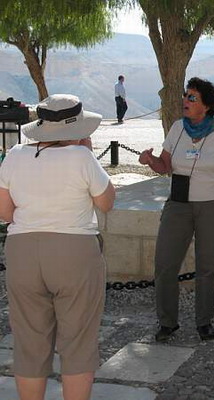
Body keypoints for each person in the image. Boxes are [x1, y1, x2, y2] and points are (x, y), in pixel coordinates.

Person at [0, 94, 115, 400]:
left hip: (23, 249)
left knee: (29, 340)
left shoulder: (14, 154)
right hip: (74, 250)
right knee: (77, 340)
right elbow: (106, 203)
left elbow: (5, 212)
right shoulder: (81, 157)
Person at [139, 77, 214, 342]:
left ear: (207, 106)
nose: (185, 101)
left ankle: (204, 322)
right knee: (164, 263)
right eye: (186, 96)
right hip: (178, 203)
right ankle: (167, 322)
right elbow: (166, 166)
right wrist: (150, 160)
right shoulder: (177, 128)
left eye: (192, 98)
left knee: (207, 266)